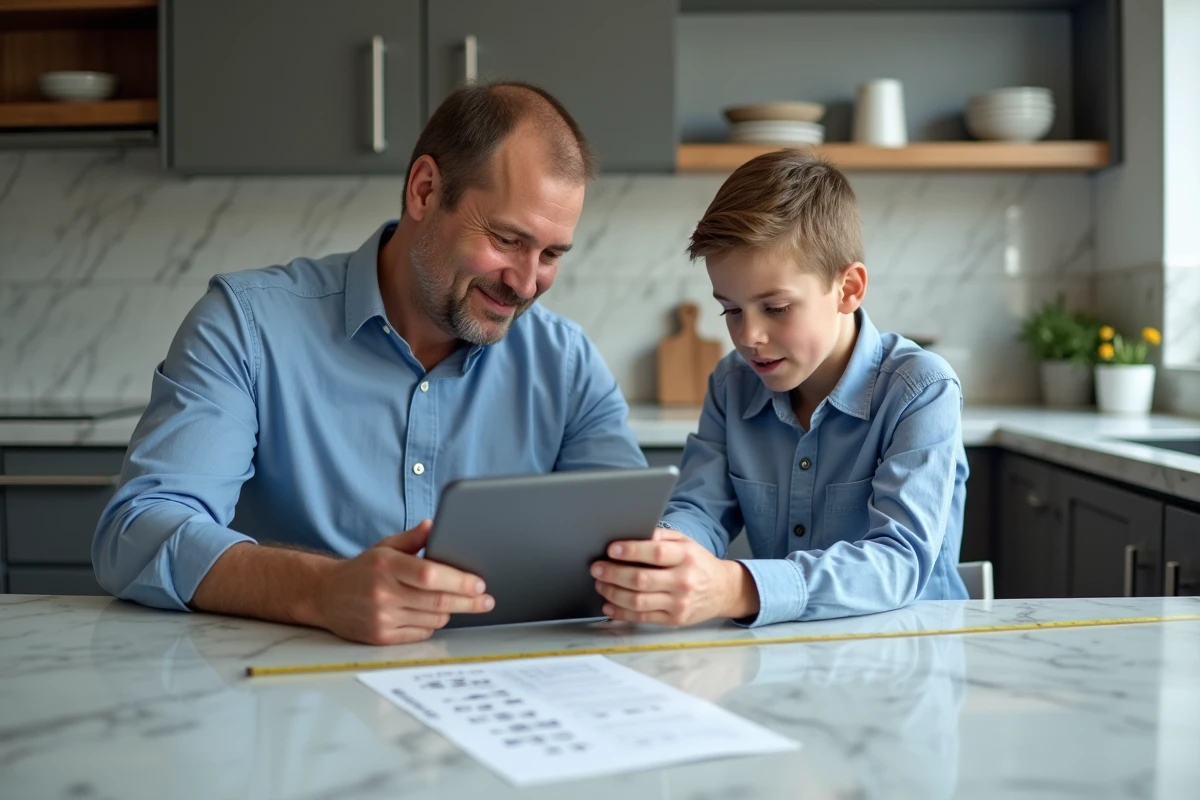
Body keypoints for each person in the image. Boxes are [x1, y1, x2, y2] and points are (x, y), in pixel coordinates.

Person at [93, 81, 648, 644]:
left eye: (551, 254)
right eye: (507, 240)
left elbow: (634, 547)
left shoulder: (566, 363)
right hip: (282, 694)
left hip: (493, 697)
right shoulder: (246, 327)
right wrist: (322, 591)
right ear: (425, 191)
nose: (527, 283)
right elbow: (139, 533)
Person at [591, 150, 969, 627]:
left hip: (908, 659)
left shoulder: (921, 390)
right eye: (731, 310)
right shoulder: (732, 383)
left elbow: (898, 562)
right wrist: (666, 554)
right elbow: (700, 509)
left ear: (848, 289)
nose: (749, 336)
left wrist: (738, 587)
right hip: (783, 659)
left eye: (775, 308)